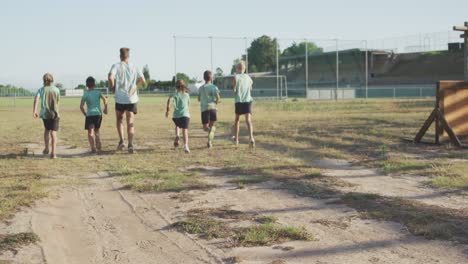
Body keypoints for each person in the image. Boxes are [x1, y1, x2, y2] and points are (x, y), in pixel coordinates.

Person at [108, 47, 146, 154]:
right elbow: (143, 81)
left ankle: (121, 141)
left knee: (119, 120)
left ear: (120, 56)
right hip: (132, 99)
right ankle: (130, 144)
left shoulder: (116, 66)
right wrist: (135, 87)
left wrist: (112, 87)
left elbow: (111, 77)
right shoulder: (134, 66)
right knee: (130, 122)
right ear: (128, 56)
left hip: (120, 97)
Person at [33, 73, 61, 159]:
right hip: (55, 113)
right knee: (54, 132)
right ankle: (54, 153)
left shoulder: (41, 90)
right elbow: (58, 101)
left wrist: (34, 111)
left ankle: (46, 148)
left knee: (46, 130)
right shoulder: (56, 90)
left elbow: (36, 99)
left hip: (45, 114)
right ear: (52, 80)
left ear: (43, 81)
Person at [80, 77, 108, 154]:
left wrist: (85, 114)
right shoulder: (98, 92)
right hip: (98, 114)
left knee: (90, 132)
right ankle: (98, 140)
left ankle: (93, 148)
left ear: (86, 85)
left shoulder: (85, 94)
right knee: (97, 130)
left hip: (89, 115)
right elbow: (105, 99)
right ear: (94, 84)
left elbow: (81, 106)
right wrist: (105, 107)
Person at [233, 61, 255, 148]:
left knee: (237, 120)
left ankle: (237, 140)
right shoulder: (249, 78)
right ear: (244, 69)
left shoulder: (236, 77)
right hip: (248, 101)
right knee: (248, 120)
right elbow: (251, 88)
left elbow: (234, 90)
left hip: (239, 101)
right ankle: (251, 138)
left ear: (237, 69)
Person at [166, 80, 191, 154]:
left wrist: (167, 110)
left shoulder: (174, 94)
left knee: (177, 126)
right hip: (185, 114)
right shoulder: (187, 95)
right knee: (185, 130)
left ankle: (177, 135)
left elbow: (169, 100)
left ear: (176, 87)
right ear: (184, 86)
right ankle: (186, 146)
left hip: (176, 115)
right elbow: (188, 104)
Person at [198, 70, 220, 148]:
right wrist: (216, 102)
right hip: (213, 108)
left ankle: (210, 134)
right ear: (211, 78)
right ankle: (209, 142)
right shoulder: (214, 87)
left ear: (204, 78)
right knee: (211, 126)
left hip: (204, 109)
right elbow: (218, 98)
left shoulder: (201, 88)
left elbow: (199, 99)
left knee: (205, 128)